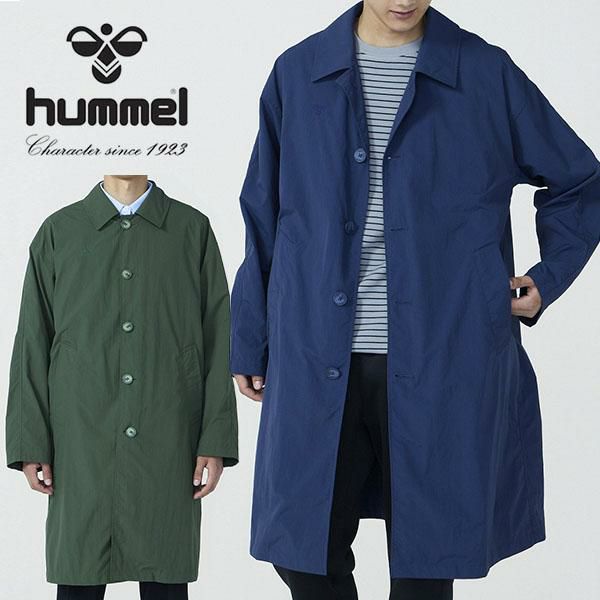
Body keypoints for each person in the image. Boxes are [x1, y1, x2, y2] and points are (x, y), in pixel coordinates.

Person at [230, 1, 600, 599]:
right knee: (301, 549)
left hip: (445, 356)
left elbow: (581, 182)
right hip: (318, 354)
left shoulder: (483, 71)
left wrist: (547, 278)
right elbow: (263, 213)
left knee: (427, 564)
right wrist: (250, 335)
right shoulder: (299, 72)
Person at [5, 175, 239, 600]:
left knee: (165, 575)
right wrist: (30, 442)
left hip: (169, 436)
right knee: (80, 572)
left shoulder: (191, 230)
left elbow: (219, 335)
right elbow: (31, 343)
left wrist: (215, 437)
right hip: (80, 441)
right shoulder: (60, 231)